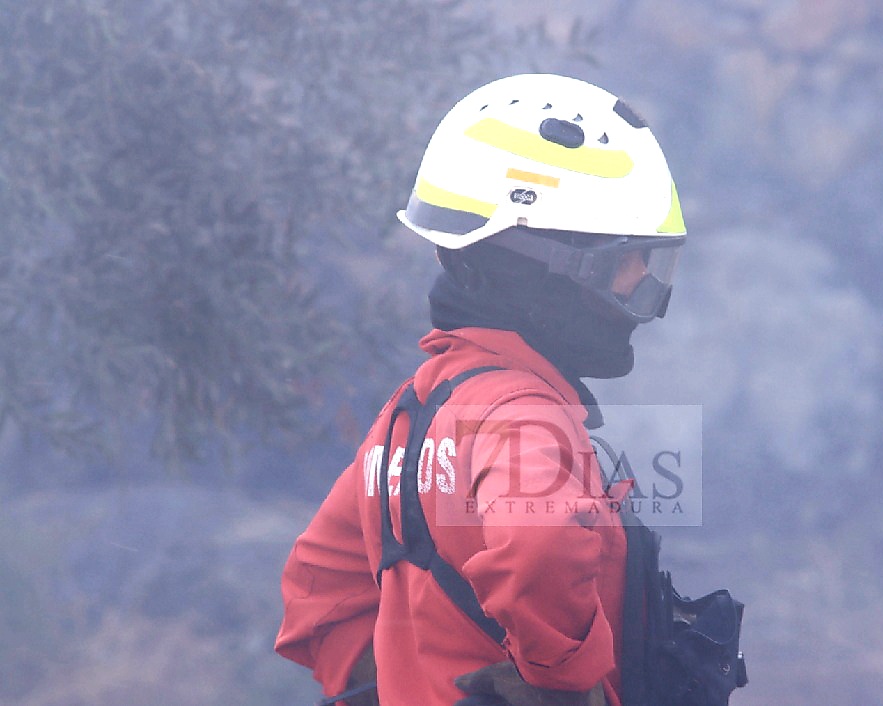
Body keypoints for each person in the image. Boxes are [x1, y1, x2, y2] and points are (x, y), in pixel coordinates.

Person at [275, 73, 686, 706]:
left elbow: (318, 591)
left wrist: (409, 688)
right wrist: (561, 688)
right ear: (532, 270)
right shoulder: (520, 414)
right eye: (618, 261)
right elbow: (541, 542)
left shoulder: (411, 414)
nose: (637, 284)